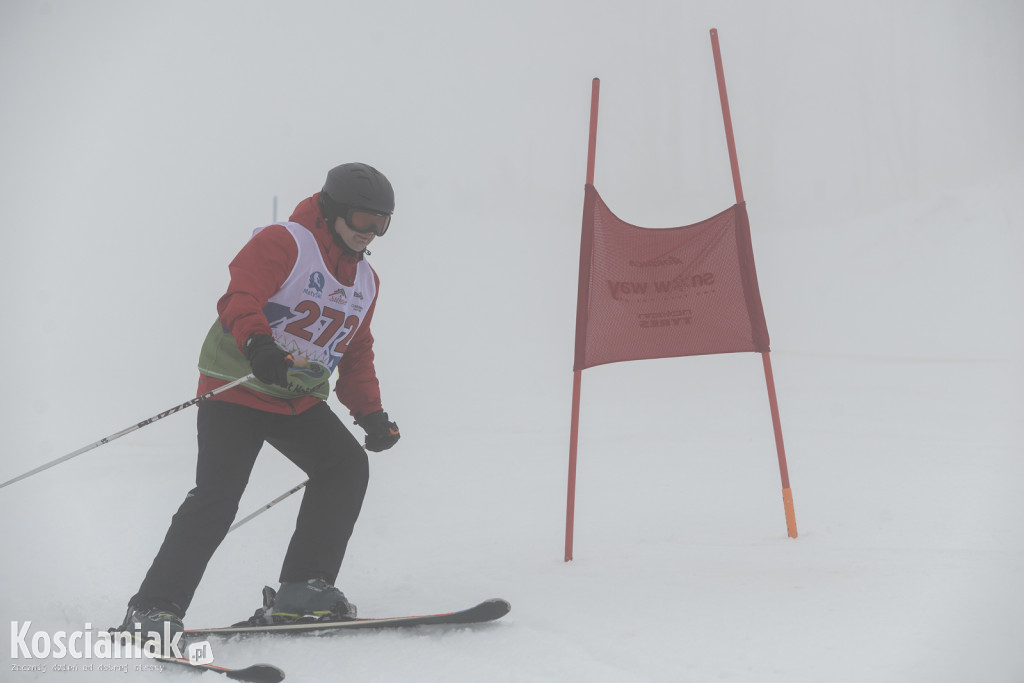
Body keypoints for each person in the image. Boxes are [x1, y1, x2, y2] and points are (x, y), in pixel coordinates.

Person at [118, 162, 401, 643]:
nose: (369, 233)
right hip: (237, 388)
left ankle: (303, 591)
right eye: (361, 220)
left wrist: (370, 413)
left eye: (381, 224)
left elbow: (355, 350)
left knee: (345, 466)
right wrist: (258, 344)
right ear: (332, 211)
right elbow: (239, 295)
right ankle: (152, 610)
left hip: (296, 399)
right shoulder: (285, 242)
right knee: (217, 497)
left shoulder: (365, 281)